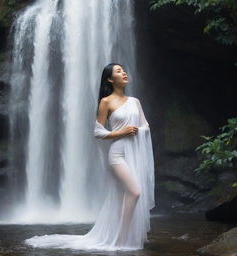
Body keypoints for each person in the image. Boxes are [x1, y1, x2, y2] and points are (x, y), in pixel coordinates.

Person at [24, 63, 155, 251]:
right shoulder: (106, 102)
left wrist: (138, 131)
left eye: (124, 70)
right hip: (117, 155)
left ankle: (124, 235)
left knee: (120, 197)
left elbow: (146, 126)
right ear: (110, 79)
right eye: (118, 71)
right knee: (134, 192)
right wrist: (122, 132)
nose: (124, 73)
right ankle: (122, 237)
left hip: (134, 152)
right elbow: (98, 132)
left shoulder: (135, 101)